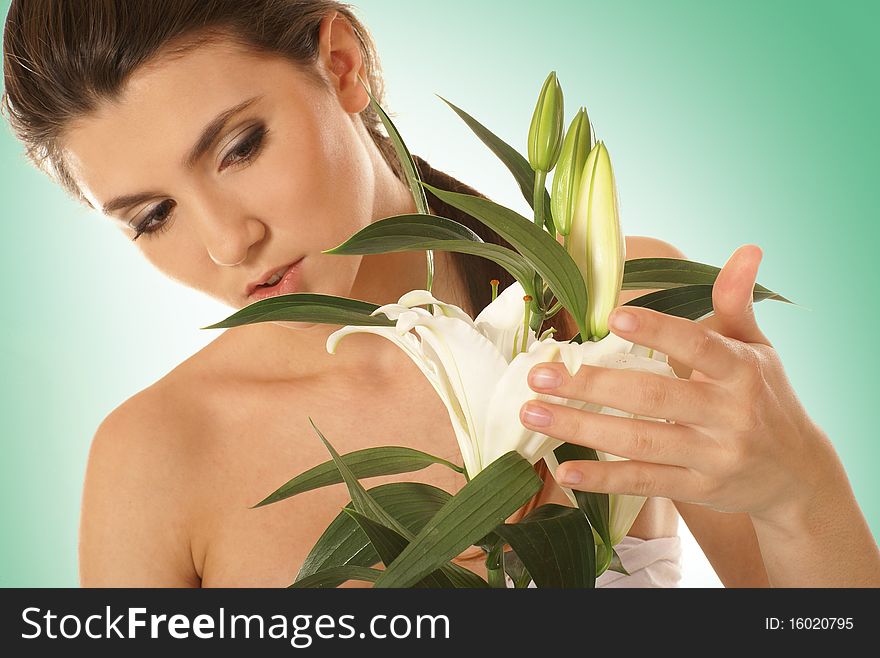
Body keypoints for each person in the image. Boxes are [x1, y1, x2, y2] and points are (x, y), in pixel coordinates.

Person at [2, 0, 876, 588]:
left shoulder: (615, 317)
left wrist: (799, 487)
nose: (229, 243)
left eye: (239, 148)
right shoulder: (155, 457)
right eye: (153, 216)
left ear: (341, 65)